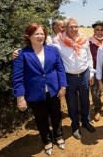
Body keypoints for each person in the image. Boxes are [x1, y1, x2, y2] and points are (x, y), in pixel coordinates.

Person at [13, 23, 67, 155]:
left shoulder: (52, 50)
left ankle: (58, 136)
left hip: (54, 90)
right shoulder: (21, 54)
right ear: (29, 36)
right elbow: (18, 77)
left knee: (56, 115)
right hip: (35, 93)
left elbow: (60, 69)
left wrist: (63, 86)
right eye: (36, 33)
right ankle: (47, 140)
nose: (40, 36)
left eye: (42, 33)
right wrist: (20, 97)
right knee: (41, 118)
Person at [53, 17, 96, 140]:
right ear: (65, 28)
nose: (74, 29)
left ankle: (86, 122)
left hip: (84, 75)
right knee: (72, 104)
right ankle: (75, 126)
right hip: (69, 78)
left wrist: (91, 73)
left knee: (85, 101)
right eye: (71, 26)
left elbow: (88, 57)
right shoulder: (57, 41)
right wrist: (21, 51)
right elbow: (42, 48)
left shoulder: (84, 39)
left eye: (76, 26)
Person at [89, 20, 103, 121]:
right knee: (95, 93)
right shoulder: (89, 42)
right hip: (95, 71)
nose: (100, 32)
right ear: (94, 31)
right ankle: (98, 110)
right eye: (97, 30)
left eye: (101, 30)